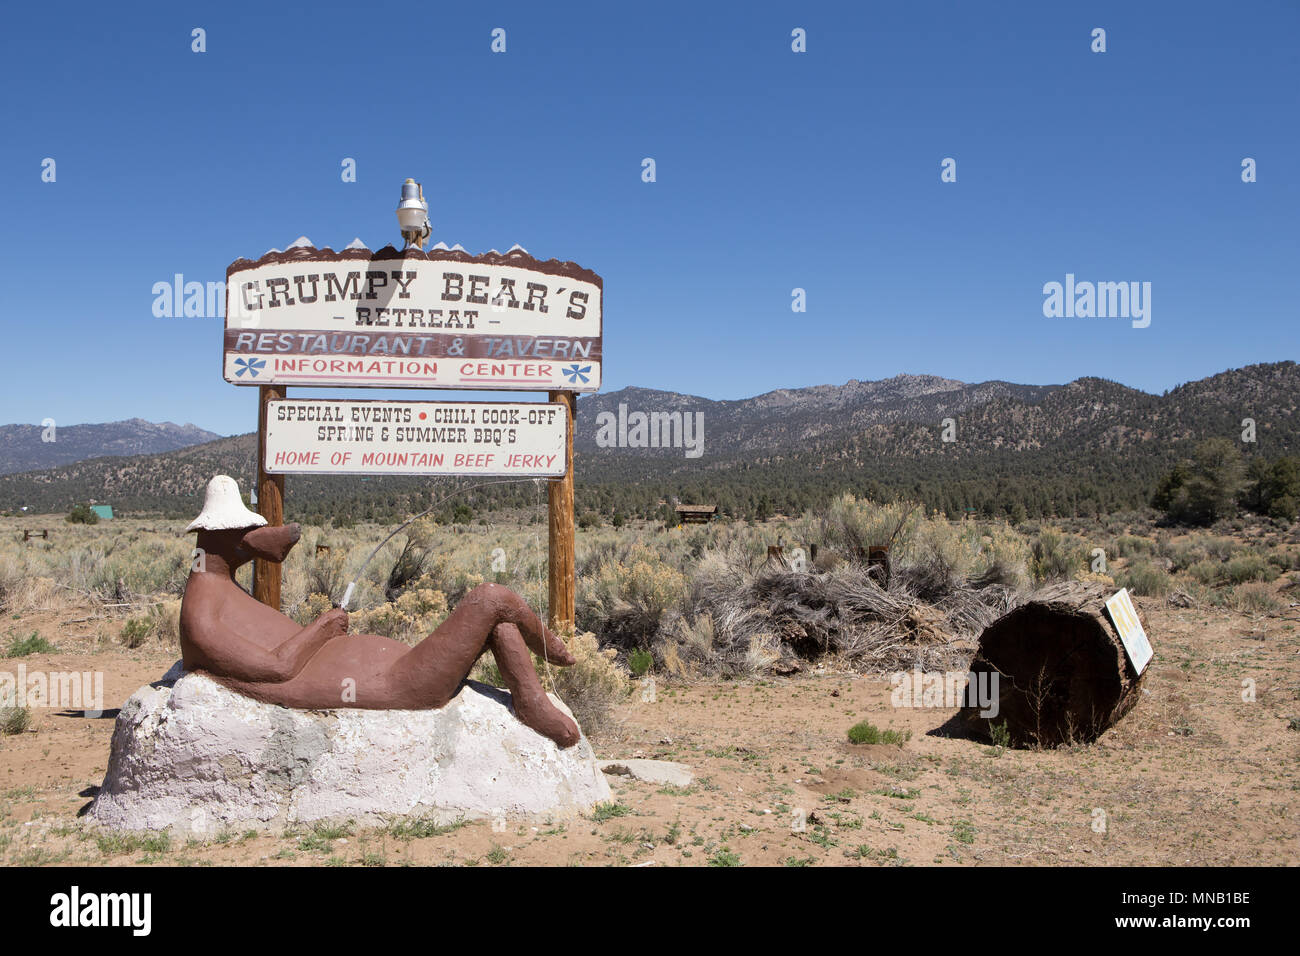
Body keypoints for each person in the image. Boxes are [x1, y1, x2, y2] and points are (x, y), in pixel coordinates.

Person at [179, 476, 581, 747]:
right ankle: (551, 653)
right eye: (243, 535)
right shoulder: (201, 614)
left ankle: (529, 700)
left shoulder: (220, 588)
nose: (254, 540)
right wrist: (323, 627)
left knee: (499, 621)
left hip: (395, 671)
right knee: (491, 598)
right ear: (218, 540)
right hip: (394, 686)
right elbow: (278, 668)